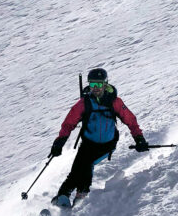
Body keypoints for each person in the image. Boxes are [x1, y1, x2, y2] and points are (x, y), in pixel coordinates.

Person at [49, 67, 149, 206]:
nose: (95, 88)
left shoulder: (115, 102)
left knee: (86, 165)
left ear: (105, 84)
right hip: (88, 143)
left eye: (98, 84)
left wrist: (139, 139)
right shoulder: (84, 103)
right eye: (92, 84)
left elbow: (130, 120)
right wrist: (59, 142)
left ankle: (80, 196)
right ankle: (63, 196)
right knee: (77, 168)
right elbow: (68, 124)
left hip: (107, 144)